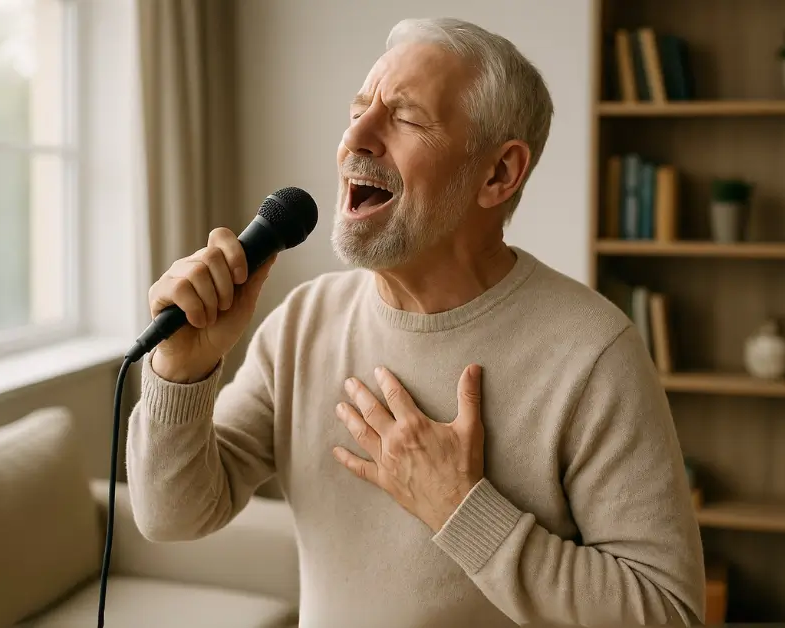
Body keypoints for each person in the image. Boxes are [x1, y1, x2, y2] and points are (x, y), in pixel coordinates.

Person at [126, 16, 705, 628]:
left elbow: (668, 612)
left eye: (404, 118)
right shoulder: (301, 322)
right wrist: (180, 371)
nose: (358, 139)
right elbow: (172, 517)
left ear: (498, 174)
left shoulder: (593, 351)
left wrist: (460, 509)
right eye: (358, 111)